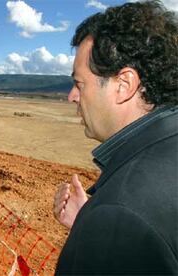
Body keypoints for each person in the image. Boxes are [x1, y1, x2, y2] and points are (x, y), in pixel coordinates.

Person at [53, 1, 177, 274]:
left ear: (124, 85)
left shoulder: (122, 210)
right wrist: (90, 225)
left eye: (79, 83)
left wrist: (108, 226)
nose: (72, 96)